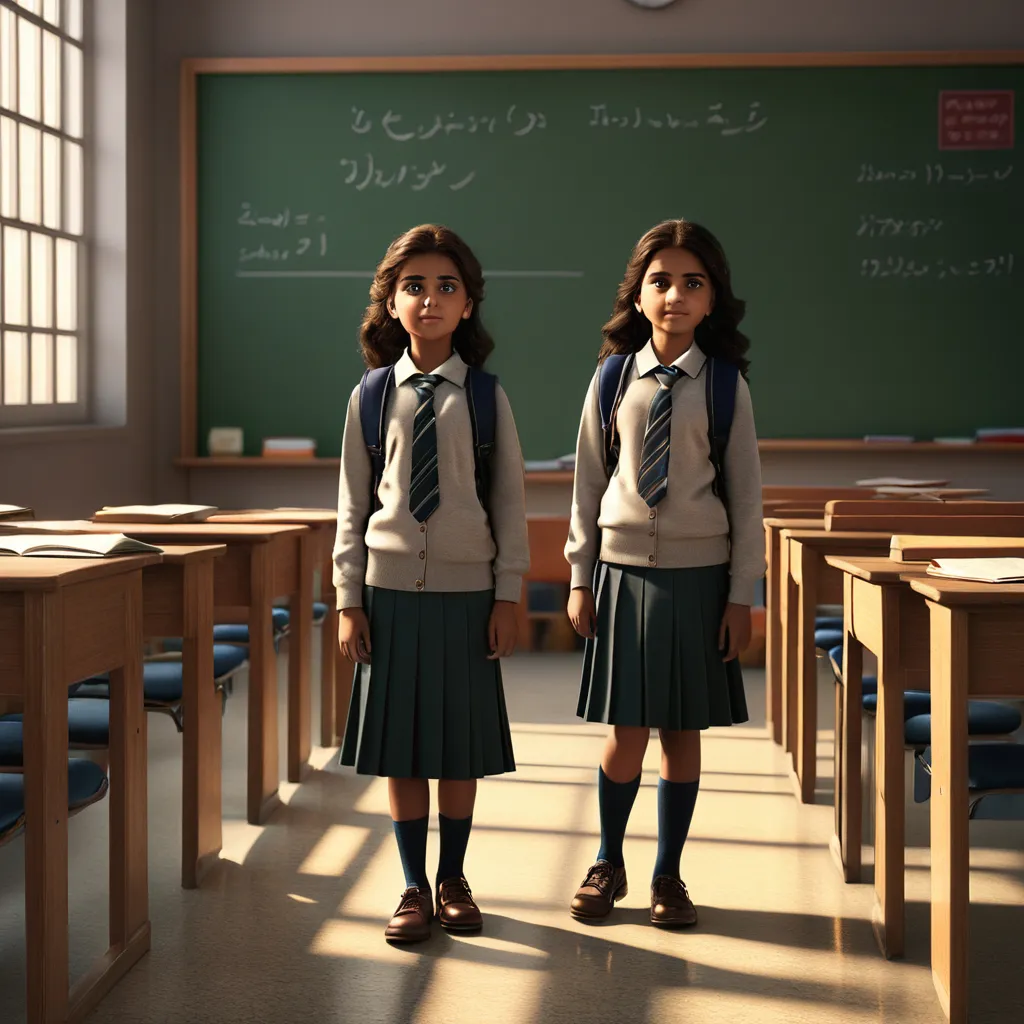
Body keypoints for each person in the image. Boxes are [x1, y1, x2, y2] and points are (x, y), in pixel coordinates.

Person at [564, 218, 765, 928]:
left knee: (682, 733)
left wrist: (741, 595)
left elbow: (745, 499)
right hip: (621, 574)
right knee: (627, 731)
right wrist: (580, 576)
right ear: (639, 295)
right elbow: (589, 483)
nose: (675, 294)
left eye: (692, 282)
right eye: (660, 281)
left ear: (712, 299)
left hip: (698, 577)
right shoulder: (614, 376)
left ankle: (668, 874)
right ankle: (607, 860)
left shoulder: (725, 388)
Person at [332, 224, 529, 943]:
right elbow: (353, 506)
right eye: (413, 285)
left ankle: (453, 876)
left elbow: (509, 503)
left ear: (469, 305)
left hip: (465, 596)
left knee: (455, 746)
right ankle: (412, 885)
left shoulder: (484, 398)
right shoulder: (371, 395)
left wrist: (507, 593)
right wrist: (349, 600)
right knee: (402, 747)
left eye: (448, 286)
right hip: (388, 597)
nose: (430, 299)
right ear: (389, 301)